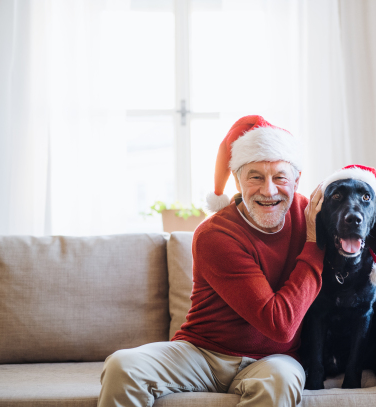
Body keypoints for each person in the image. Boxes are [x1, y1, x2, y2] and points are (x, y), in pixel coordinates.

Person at [98, 115, 326, 407]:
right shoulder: (215, 234)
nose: (269, 190)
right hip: (202, 353)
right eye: (255, 176)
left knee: (281, 379)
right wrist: (314, 245)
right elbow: (278, 324)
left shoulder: (310, 216)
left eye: (280, 177)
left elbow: (367, 228)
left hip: (274, 361)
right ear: (237, 180)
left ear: (296, 179)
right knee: (123, 366)